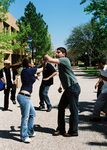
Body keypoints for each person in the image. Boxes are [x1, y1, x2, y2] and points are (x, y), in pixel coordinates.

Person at [44, 47, 81, 137]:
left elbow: (50, 60)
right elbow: (65, 75)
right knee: (61, 107)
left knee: (73, 110)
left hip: (73, 87)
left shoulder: (64, 60)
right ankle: (61, 129)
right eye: (56, 52)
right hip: (68, 88)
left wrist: (45, 55)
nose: (57, 54)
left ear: (64, 54)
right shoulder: (61, 63)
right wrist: (61, 86)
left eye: (59, 52)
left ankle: (73, 131)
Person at [17, 57, 43, 143]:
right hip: (24, 96)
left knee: (32, 113)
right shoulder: (29, 70)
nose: (33, 63)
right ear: (29, 64)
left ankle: (30, 131)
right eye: (32, 62)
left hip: (25, 96)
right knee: (25, 117)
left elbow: (31, 77)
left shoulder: (26, 71)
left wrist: (35, 77)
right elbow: (42, 69)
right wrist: (47, 61)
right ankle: (24, 136)